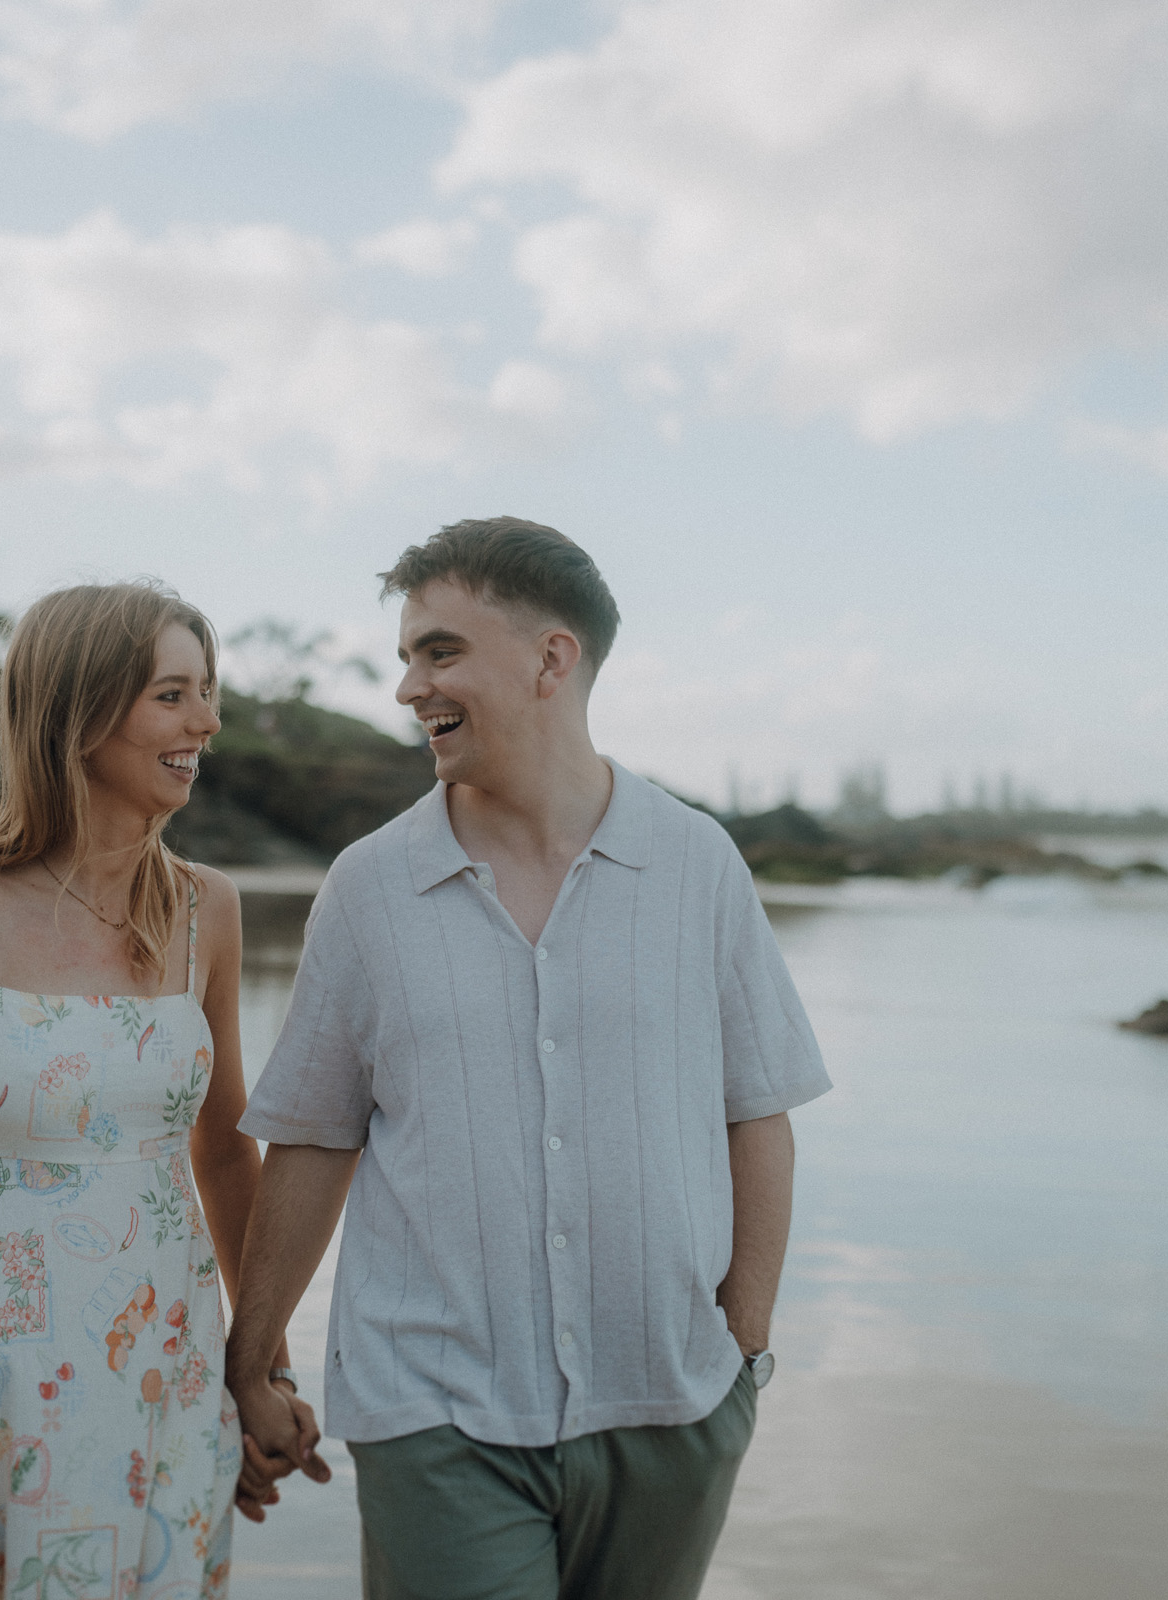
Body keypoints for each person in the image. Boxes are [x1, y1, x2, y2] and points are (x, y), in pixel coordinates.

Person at [225, 518, 831, 1599]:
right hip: (435, 1411)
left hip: (673, 1409)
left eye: (440, 650)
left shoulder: (697, 865)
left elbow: (758, 1110)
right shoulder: (370, 889)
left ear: (554, 658)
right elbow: (315, 1137)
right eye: (408, 655)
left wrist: (745, 1348)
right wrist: (253, 1357)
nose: (410, 686)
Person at [0, 581, 321, 1600]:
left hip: (171, 1359)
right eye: (173, 694)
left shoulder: (208, 908)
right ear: (80, 711)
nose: (207, 721)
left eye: (207, 691)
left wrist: (262, 1372)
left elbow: (225, 1155)